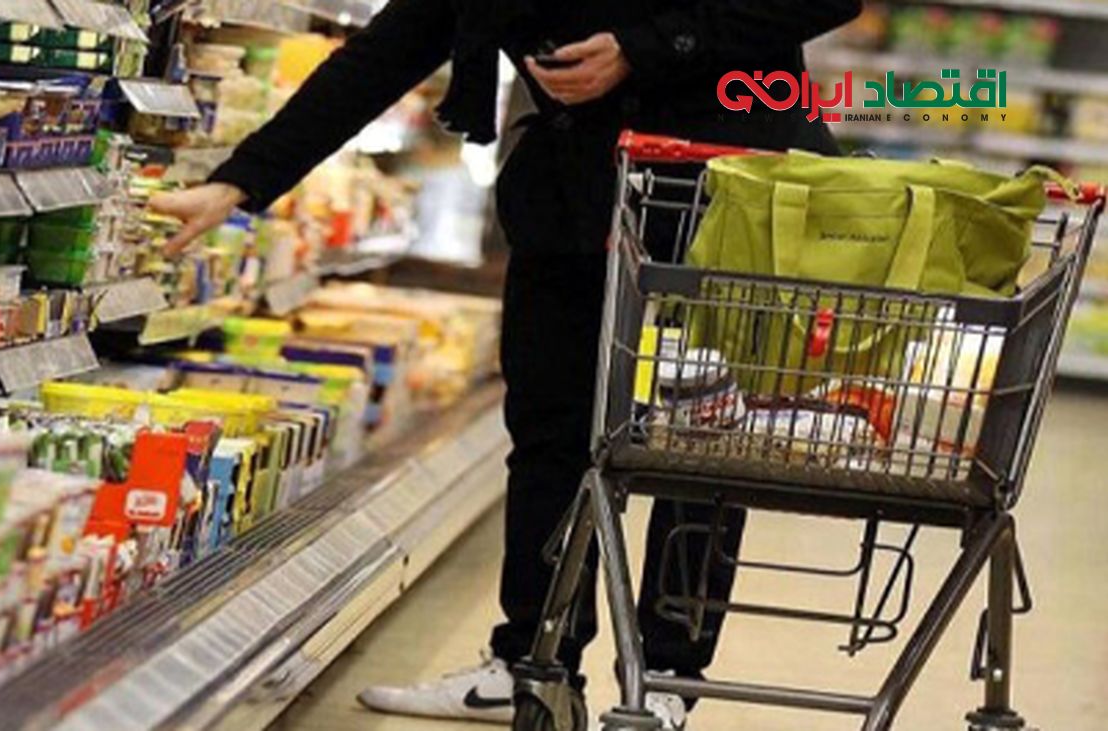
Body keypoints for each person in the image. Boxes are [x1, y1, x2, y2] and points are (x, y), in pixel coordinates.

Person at [150, 1, 863, 727]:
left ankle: (668, 681)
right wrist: (240, 182)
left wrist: (640, 47)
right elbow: (390, 50)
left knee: (700, 443)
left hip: (725, 189)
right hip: (575, 187)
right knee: (551, 431)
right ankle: (531, 664)